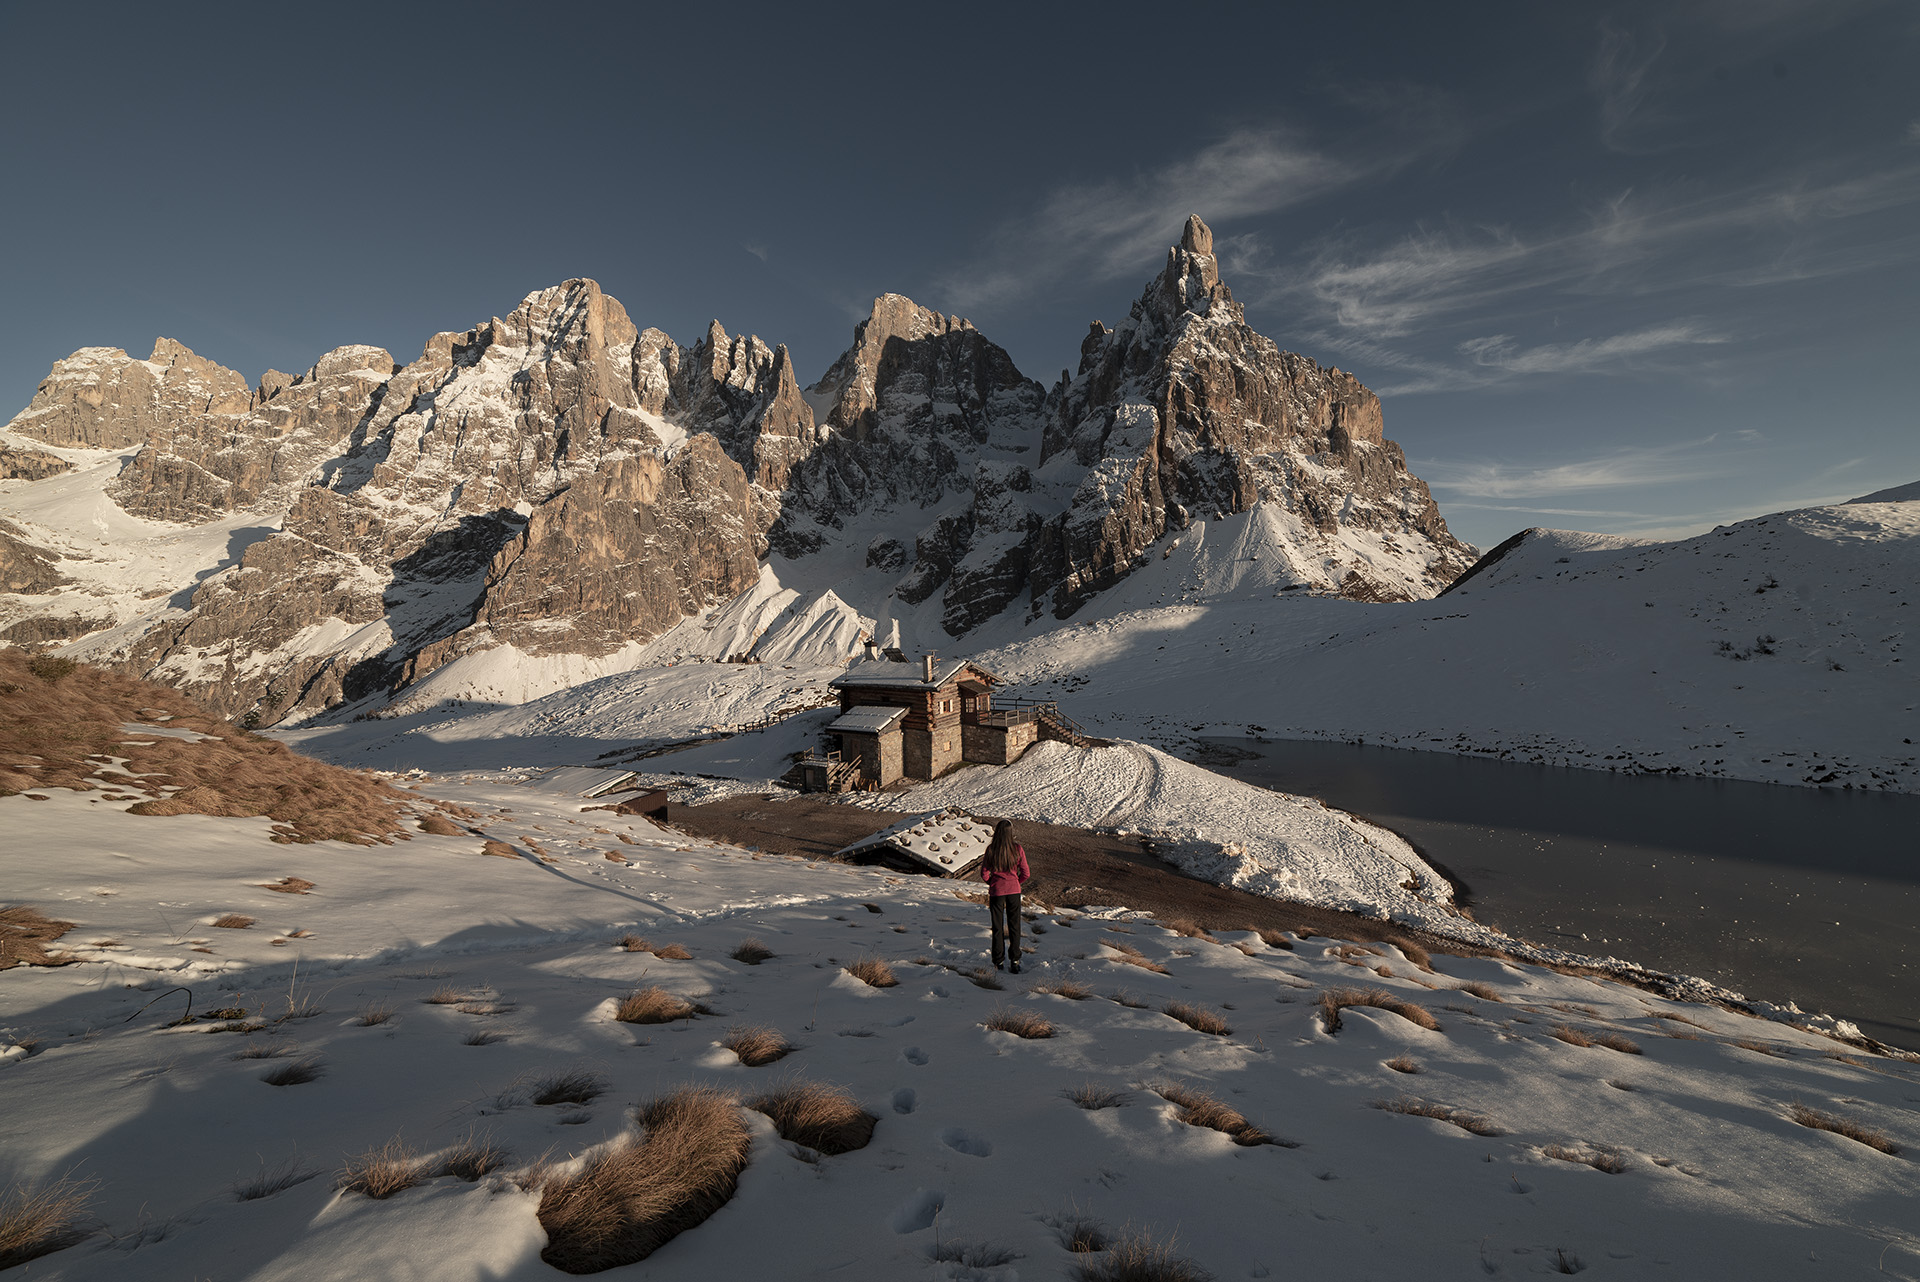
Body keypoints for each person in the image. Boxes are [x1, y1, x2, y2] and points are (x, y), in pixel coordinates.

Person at [979, 819, 1030, 973]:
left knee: (997, 928)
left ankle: (998, 961)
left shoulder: (991, 849)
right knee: (1015, 927)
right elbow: (1026, 873)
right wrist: (1016, 882)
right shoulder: (1017, 849)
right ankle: (1015, 960)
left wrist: (993, 883)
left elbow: (984, 873)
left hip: (997, 892)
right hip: (1014, 891)